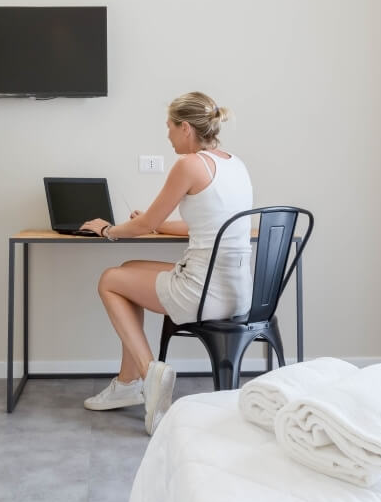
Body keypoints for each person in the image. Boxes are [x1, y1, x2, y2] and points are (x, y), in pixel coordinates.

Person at [80, 91, 254, 435]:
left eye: (169, 127)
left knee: (109, 279)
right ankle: (126, 383)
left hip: (202, 293)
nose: (167, 135)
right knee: (128, 270)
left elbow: (142, 226)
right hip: (238, 292)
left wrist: (107, 230)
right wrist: (155, 221)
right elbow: (204, 224)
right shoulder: (234, 163)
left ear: (185, 128)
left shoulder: (189, 164)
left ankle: (149, 375)